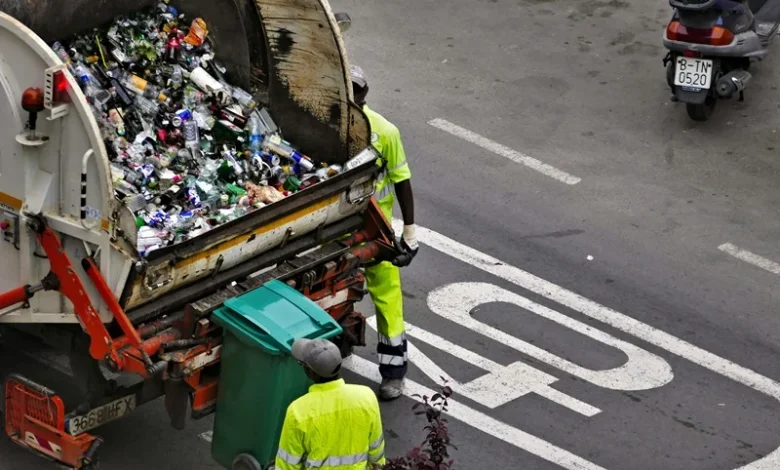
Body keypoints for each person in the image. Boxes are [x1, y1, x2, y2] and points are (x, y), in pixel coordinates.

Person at [350, 64, 419, 401]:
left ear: (365, 93)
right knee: (333, 290)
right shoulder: (326, 125)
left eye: (356, 89)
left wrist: (410, 232)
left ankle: (394, 374)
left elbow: (402, 181)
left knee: (388, 301)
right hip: (336, 227)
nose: (352, 95)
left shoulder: (385, 132)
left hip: (375, 230)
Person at [274, 338, 386, 470]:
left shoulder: (298, 411)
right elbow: (376, 450)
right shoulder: (366, 397)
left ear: (310, 372)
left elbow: (287, 464)